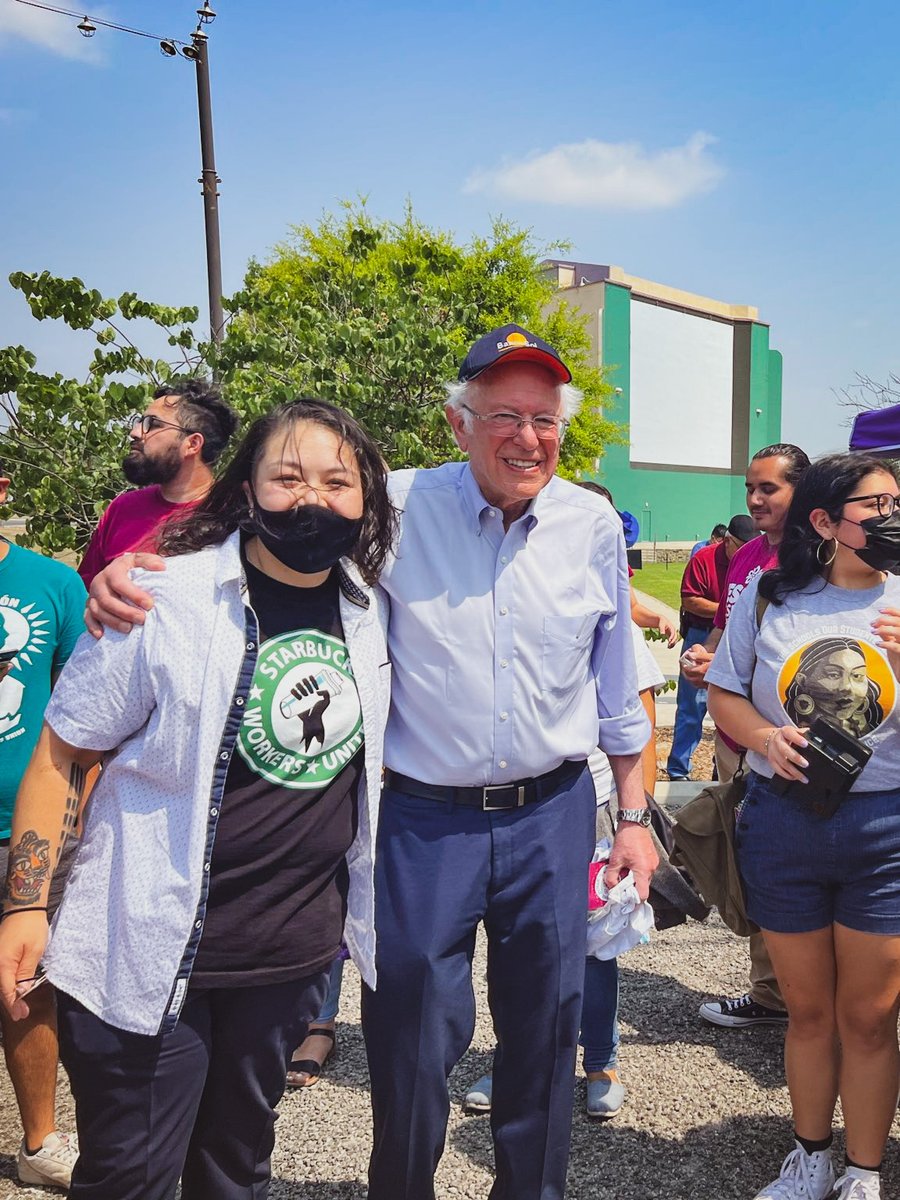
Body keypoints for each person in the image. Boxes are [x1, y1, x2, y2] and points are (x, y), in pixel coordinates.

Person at [82, 324, 659, 1200]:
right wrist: (136, 572)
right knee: (412, 1037)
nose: (527, 438)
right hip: (422, 820)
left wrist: (636, 816)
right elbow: (264, 543)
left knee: (546, 1032)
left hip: (551, 812)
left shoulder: (589, 525)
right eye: (503, 414)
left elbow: (619, 688)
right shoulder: (387, 506)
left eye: (544, 419)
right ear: (458, 423)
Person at [0, 398, 394, 1200]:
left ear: (366, 500)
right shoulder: (160, 597)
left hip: (287, 958)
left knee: (236, 1168)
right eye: (287, 477)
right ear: (245, 486)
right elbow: (60, 751)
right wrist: (25, 905)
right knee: (131, 1177)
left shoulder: (372, 607)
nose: (312, 500)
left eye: (336, 481)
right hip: (146, 952)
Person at [707, 452, 900, 1200]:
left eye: (896, 504)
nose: (890, 519)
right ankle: (811, 1156)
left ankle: (862, 1171)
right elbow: (726, 697)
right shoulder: (768, 595)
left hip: (885, 830)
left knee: (873, 1017)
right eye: (873, 508)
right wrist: (763, 738)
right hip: (785, 824)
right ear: (824, 522)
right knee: (809, 1011)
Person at [464, 617, 667, 1120]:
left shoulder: (608, 618)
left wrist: (633, 819)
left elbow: (640, 726)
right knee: (516, 942)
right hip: (510, 805)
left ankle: (601, 1061)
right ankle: (515, 1059)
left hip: (590, 803)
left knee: (591, 945)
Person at [682, 443, 810, 1030]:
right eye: (749, 490)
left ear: (802, 492)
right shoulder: (746, 555)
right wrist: (705, 657)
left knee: (794, 870)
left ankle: (799, 1001)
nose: (755, 500)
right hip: (740, 738)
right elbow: (724, 630)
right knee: (750, 863)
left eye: (769, 489)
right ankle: (771, 994)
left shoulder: (820, 561)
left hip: (795, 746)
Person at [0, 459, 85, 1188]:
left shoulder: (52, 583)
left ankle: (39, 1142)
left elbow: (85, 716)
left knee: (25, 988)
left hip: (21, 831)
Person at [78, 377, 238, 587]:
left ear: (192, 444)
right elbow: (84, 593)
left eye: (152, 425)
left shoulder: (235, 514)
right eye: (139, 422)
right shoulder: (122, 509)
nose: (134, 433)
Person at [667, 513, 755, 780]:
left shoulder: (752, 559)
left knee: (731, 706)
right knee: (691, 707)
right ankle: (679, 768)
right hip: (701, 633)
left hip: (737, 638)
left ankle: (723, 768)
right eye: (740, 545)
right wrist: (729, 610)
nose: (743, 551)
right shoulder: (703, 558)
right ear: (727, 540)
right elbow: (690, 599)